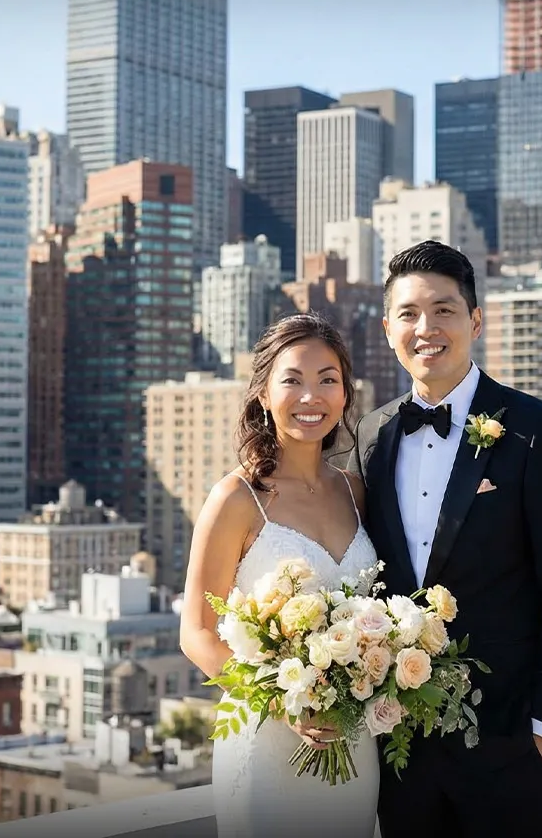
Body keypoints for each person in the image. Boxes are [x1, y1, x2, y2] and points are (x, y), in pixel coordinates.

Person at [348, 240, 542, 838]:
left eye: (444, 310)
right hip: (398, 748)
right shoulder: (369, 435)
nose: (426, 328)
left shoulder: (537, 430)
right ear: (388, 329)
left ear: (475, 321)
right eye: (408, 314)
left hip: (508, 746)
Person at [180, 313, 380, 838]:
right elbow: (197, 633)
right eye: (292, 380)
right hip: (266, 747)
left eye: (327, 380)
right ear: (264, 394)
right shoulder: (235, 498)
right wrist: (282, 701)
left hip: (352, 743)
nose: (310, 396)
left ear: (344, 394)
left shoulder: (357, 493)